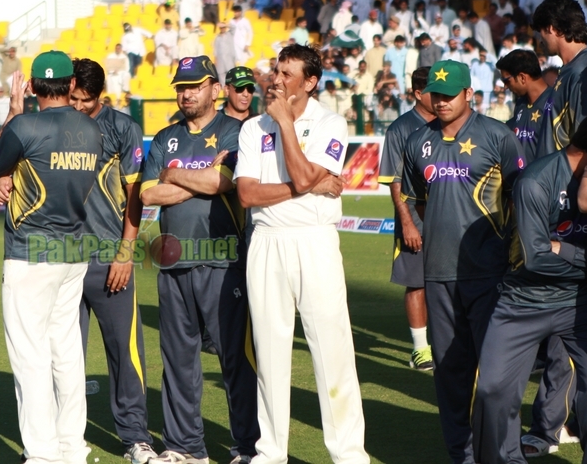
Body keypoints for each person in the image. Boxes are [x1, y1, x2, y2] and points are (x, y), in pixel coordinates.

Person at [235, 44, 368, 464]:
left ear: (310, 82)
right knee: (270, 350)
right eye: (275, 70)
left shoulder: (331, 122)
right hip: (267, 239)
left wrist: (286, 127)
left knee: (333, 349)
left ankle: (348, 453)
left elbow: (308, 172)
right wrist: (308, 184)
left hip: (315, 239)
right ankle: (270, 452)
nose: (276, 79)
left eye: (287, 73)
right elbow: (247, 193)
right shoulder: (252, 128)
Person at [0, 52, 102, 464]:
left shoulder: (25, 124)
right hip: (73, 251)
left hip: (31, 252)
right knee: (66, 353)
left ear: (31, 87)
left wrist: (13, 114)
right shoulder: (91, 128)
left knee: (30, 357)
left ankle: (43, 454)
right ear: (71, 85)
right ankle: (72, 447)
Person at [401, 60, 524, 464]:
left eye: (449, 94)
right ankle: (461, 453)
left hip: (489, 272)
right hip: (439, 274)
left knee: (495, 374)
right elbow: (414, 196)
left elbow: (519, 197)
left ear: (469, 94)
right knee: (451, 372)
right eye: (436, 94)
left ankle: (502, 451)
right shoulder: (418, 140)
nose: (441, 102)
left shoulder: (496, 135)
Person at [139, 55, 258, 464]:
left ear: (214, 88)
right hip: (174, 263)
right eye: (180, 87)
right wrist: (202, 181)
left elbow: (226, 181)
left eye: (193, 85)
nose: (185, 93)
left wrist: (174, 175)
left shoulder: (237, 131)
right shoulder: (165, 136)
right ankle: (184, 447)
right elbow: (147, 194)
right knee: (177, 362)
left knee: (235, 361)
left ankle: (246, 447)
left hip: (224, 262)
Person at [472, 111, 587, 464]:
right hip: (522, 303)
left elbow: (556, 252)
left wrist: (569, 251)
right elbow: (536, 259)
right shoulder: (536, 181)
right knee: (492, 389)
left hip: (582, 302)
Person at [64, 59, 154, 464]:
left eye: (83, 100)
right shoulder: (55, 122)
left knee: (124, 352)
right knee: (64, 354)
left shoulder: (122, 128)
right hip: (61, 259)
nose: (76, 105)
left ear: (98, 96)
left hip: (108, 258)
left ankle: (136, 437)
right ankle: (65, 439)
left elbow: (135, 194)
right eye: (71, 97)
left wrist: (126, 252)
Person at [378, 67, 436, 371]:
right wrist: (408, 222)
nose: (440, 97)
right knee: (417, 283)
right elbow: (393, 179)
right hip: (415, 217)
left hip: (450, 218)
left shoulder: (450, 124)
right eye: (433, 91)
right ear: (417, 93)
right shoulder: (400, 129)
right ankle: (419, 349)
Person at [532, 0, 587, 149]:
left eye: (540, 32)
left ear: (550, 28)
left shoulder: (586, 73)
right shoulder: (570, 69)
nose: (540, 40)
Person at [498, 49, 555, 162]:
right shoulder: (520, 103)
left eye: (506, 81)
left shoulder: (555, 103)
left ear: (522, 77)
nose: (505, 87)